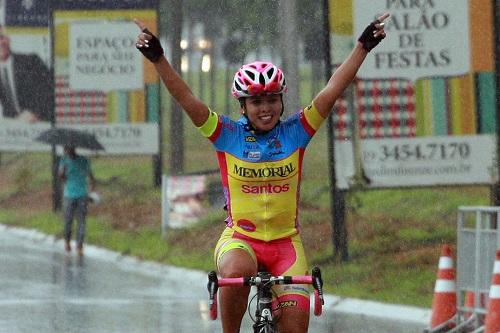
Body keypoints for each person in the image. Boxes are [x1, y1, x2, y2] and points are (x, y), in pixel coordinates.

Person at [135, 13, 388, 333]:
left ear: (281, 102)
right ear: (242, 105)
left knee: (295, 328)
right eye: (256, 101)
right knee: (237, 269)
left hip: (286, 245)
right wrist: (158, 58)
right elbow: (186, 97)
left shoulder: (297, 131)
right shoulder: (226, 134)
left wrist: (363, 47)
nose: (265, 108)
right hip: (241, 240)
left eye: (272, 99)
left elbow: (332, 89)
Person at [0, 25, 53, 122]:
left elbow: (50, 89)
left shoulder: (32, 61)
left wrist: (34, 112)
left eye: (1, 37)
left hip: (42, 122)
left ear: (8, 38)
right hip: (14, 129)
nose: (0, 43)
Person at [58, 145, 95, 256]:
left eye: (68, 149)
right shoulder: (64, 160)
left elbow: (90, 175)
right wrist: (63, 171)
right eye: (66, 149)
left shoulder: (83, 160)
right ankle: (67, 241)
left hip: (81, 194)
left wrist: (91, 189)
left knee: (81, 221)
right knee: (68, 220)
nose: (67, 151)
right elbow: (61, 177)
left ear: (73, 149)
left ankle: (79, 246)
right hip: (69, 194)